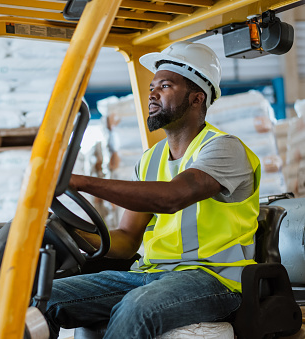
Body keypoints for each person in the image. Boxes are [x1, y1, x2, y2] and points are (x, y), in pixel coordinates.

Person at [43, 41, 261, 338]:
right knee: (42, 296)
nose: (152, 94)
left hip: (214, 280)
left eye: (166, 86)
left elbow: (173, 197)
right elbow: (127, 240)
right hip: (150, 275)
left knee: (137, 307)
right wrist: (66, 233)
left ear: (197, 98)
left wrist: (78, 180)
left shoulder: (223, 148)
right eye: (152, 87)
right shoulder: (151, 159)